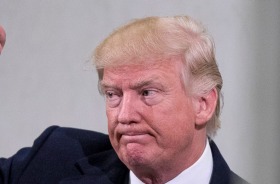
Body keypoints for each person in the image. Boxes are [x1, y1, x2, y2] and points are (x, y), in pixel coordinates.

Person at [0, 16, 248, 184]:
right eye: (113, 95)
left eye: (147, 93)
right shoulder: (52, 161)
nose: (124, 115)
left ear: (203, 104)